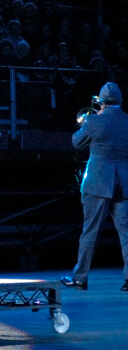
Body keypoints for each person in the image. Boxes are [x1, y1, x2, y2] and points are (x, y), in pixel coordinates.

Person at [60, 82, 128, 291]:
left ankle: (80, 278)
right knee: (126, 233)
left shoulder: (92, 121)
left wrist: (86, 122)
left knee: (90, 231)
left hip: (98, 182)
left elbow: (76, 142)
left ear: (102, 101)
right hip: (124, 183)